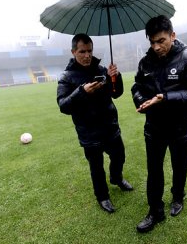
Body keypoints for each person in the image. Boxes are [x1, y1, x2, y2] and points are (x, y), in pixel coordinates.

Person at [131, 15, 187, 232]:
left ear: (172, 36)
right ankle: (155, 211)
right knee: (154, 170)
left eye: (161, 40)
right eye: (152, 42)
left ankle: (178, 196)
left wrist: (166, 98)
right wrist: (141, 100)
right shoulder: (145, 62)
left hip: (181, 127)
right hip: (154, 127)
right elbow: (137, 86)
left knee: (179, 166)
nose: (156, 46)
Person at [57, 33, 133, 214]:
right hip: (89, 132)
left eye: (89, 51)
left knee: (119, 156)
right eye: (82, 51)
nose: (87, 55)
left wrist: (116, 76)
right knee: (96, 167)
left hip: (110, 126)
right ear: (73, 51)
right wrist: (82, 91)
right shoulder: (66, 77)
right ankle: (103, 196)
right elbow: (63, 106)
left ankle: (116, 178)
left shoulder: (101, 70)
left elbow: (116, 93)